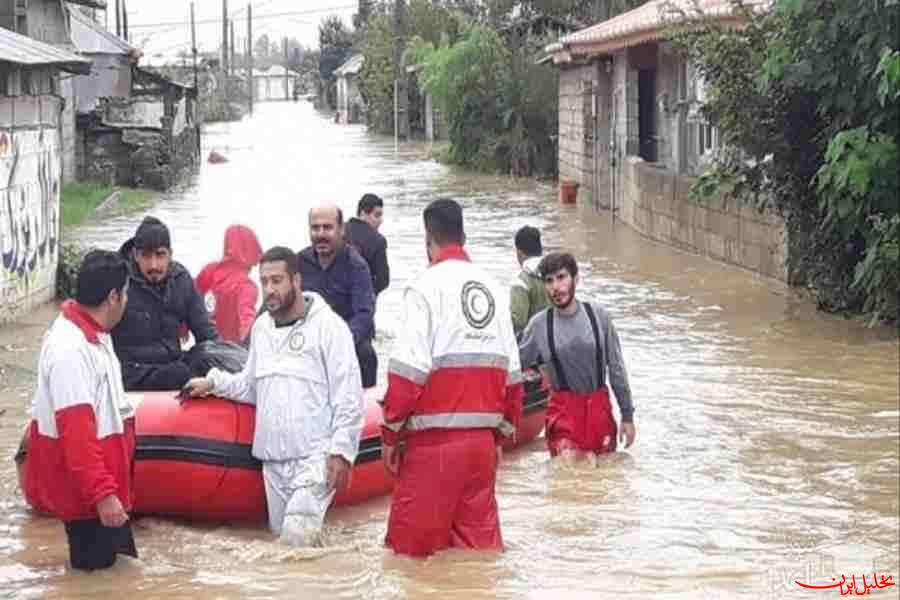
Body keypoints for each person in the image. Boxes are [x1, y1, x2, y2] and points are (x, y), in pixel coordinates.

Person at [183, 247, 364, 546]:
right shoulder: (262, 329)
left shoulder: (329, 327)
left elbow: (348, 394)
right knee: (284, 553)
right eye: (264, 281)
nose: (269, 289)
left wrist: (342, 452)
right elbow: (251, 386)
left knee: (295, 542)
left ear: (296, 280)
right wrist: (213, 383)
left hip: (314, 456)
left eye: (277, 280)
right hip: (273, 461)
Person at [381, 198, 523, 558]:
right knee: (478, 559)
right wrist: (500, 437)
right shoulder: (492, 287)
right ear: (464, 236)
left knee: (408, 561)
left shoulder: (423, 288)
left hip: (433, 449)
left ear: (428, 238)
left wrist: (389, 434)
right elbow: (514, 378)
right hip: (481, 450)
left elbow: (407, 374)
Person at [23, 250, 137, 571]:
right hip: (88, 498)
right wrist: (103, 495)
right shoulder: (70, 350)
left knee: (122, 574)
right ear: (113, 296)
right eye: (125, 293)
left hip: (102, 485)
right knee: (96, 580)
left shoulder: (95, 335)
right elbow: (76, 433)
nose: (127, 301)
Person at [518, 252, 636, 460]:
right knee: (568, 466)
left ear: (576, 279)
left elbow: (616, 368)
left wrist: (627, 416)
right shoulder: (539, 326)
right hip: (563, 416)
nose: (556, 286)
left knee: (603, 477)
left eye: (561, 277)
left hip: (599, 414)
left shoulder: (599, 316)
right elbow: (514, 367)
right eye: (549, 280)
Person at [112, 216, 218, 391]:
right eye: (146, 256)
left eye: (160, 255)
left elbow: (206, 333)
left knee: (207, 357)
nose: (154, 265)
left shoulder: (181, 280)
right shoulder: (118, 281)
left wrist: (219, 368)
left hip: (172, 367)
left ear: (170, 254)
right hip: (132, 374)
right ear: (135, 255)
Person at [297, 205, 377, 389]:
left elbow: (364, 314)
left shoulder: (357, 266)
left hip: (348, 341)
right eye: (315, 228)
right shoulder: (300, 262)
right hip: (308, 341)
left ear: (341, 230)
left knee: (367, 354)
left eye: (327, 227)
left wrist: (337, 343)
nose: (321, 233)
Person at [196, 224, 264, 346]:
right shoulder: (246, 286)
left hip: (203, 348)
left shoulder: (209, 271)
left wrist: (183, 328)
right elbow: (247, 319)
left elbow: (188, 298)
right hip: (231, 353)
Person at [344, 193, 390, 296]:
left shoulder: (338, 231)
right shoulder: (378, 240)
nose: (381, 220)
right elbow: (383, 281)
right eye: (377, 215)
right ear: (363, 213)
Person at [510, 225, 550, 338]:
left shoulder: (521, 280)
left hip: (533, 345)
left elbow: (518, 321)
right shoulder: (556, 273)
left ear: (519, 253)